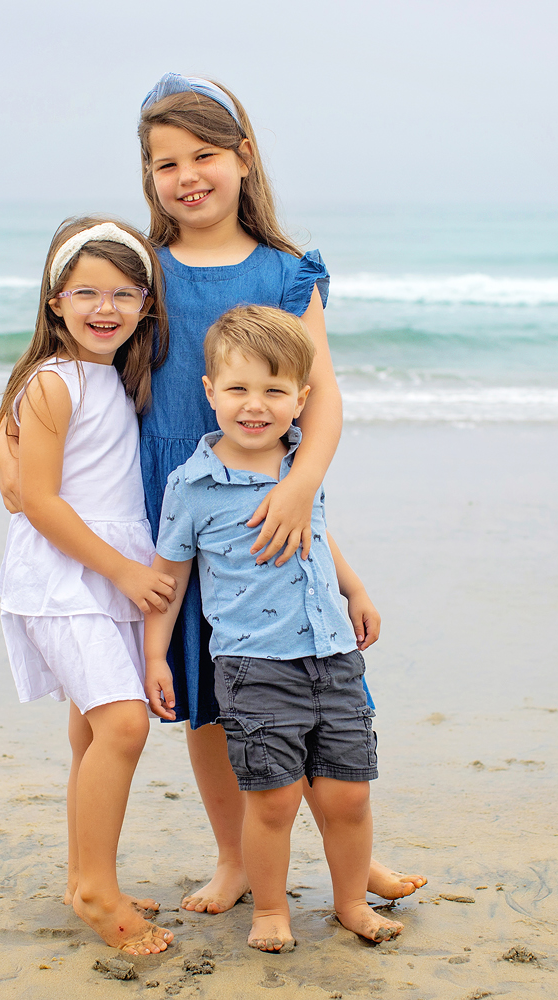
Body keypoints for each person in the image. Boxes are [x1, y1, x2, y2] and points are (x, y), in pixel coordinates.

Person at [136, 71, 427, 914]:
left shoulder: (289, 271)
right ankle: (234, 857)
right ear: (149, 177)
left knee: (311, 671)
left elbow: (326, 395)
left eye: (205, 154)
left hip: (273, 493)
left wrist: (300, 487)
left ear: (244, 157)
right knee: (214, 687)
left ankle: (351, 853)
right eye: (165, 163)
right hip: (181, 494)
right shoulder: (144, 267)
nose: (188, 175)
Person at [144, 305, 403, 952]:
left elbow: (317, 534)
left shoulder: (300, 466)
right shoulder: (193, 486)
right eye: (237, 389)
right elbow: (169, 579)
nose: (254, 406)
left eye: (274, 391)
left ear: (300, 399)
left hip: (333, 654)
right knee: (275, 801)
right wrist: (155, 657)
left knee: (348, 795)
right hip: (254, 667)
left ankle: (350, 903)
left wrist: (357, 587)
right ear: (209, 393)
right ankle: (269, 911)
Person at [0, 215, 176, 955]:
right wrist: (126, 570)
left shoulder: (112, 379)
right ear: (55, 302)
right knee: (124, 725)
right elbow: (37, 500)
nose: (107, 307)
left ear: (144, 305)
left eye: (125, 293)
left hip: (101, 572)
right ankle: (99, 888)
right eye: (88, 291)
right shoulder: (52, 381)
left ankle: (83, 875)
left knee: (91, 730)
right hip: (63, 578)